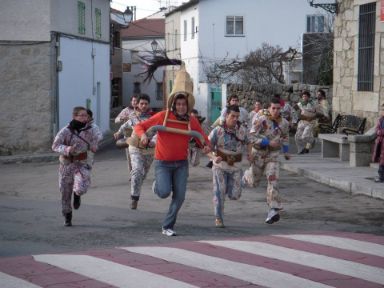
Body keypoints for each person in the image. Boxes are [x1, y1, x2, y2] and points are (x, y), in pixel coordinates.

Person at [134, 67, 210, 236]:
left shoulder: (191, 121)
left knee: (180, 196)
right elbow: (140, 126)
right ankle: (158, 187)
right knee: (163, 192)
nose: (181, 107)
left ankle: (168, 226)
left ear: (188, 105)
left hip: (181, 164)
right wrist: (143, 136)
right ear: (174, 104)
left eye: (184, 104)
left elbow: (202, 138)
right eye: (178, 104)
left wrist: (206, 146)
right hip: (163, 163)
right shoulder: (163, 116)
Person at [243, 97, 290, 224]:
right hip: (259, 153)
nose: (275, 111)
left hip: (273, 156)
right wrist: (268, 142)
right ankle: (246, 177)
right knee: (254, 182)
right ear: (269, 108)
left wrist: (286, 151)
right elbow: (251, 136)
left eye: (278, 108)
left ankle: (273, 209)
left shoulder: (284, 123)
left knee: (273, 179)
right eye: (273, 108)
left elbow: (285, 136)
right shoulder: (261, 118)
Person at [52, 106, 101, 226]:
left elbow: (98, 136)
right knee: (65, 192)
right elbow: (55, 145)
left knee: (81, 188)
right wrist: (68, 149)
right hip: (67, 163)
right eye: (82, 115)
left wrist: (94, 144)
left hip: (82, 163)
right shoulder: (66, 130)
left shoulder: (91, 128)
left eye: (87, 116)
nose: (85, 118)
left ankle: (77, 194)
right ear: (75, 116)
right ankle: (67, 216)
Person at [208, 105, 248, 228]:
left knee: (235, 195)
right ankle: (218, 218)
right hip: (220, 165)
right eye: (232, 116)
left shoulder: (242, 130)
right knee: (219, 192)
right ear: (226, 116)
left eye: (237, 117)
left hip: (236, 167)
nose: (235, 119)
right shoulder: (217, 131)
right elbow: (207, 147)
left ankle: (245, 179)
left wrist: (251, 154)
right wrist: (213, 157)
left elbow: (250, 141)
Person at [114, 94, 156, 209]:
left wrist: (153, 141)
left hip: (149, 150)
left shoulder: (154, 118)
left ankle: (136, 187)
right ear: (137, 104)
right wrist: (118, 133)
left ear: (148, 105)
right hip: (135, 147)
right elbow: (124, 126)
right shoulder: (132, 117)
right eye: (141, 103)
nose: (143, 106)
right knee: (137, 171)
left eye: (145, 104)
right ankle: (134, 197)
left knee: (142, 174)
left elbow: (158, 133)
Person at [114, 95, 139, 178]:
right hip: (128, 136)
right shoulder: (126, 110)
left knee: (138, 155)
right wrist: (122, 118)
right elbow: (116, 120)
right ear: (131, 102)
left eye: (136, 101)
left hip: (138, 135)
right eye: (133, 101)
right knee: (129, 155)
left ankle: (138, 172)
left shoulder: (141, 111)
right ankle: (132, 174)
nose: (135, 102)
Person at [372, 104, 384, 183]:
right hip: (381, 142)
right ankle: (381, 176)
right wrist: (378, 131)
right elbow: (376, 129)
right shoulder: (381, 120)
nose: (382, 111)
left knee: (382, 161)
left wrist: (380, 132)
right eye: (382, 109)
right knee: (381, 160)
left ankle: (381, 177)